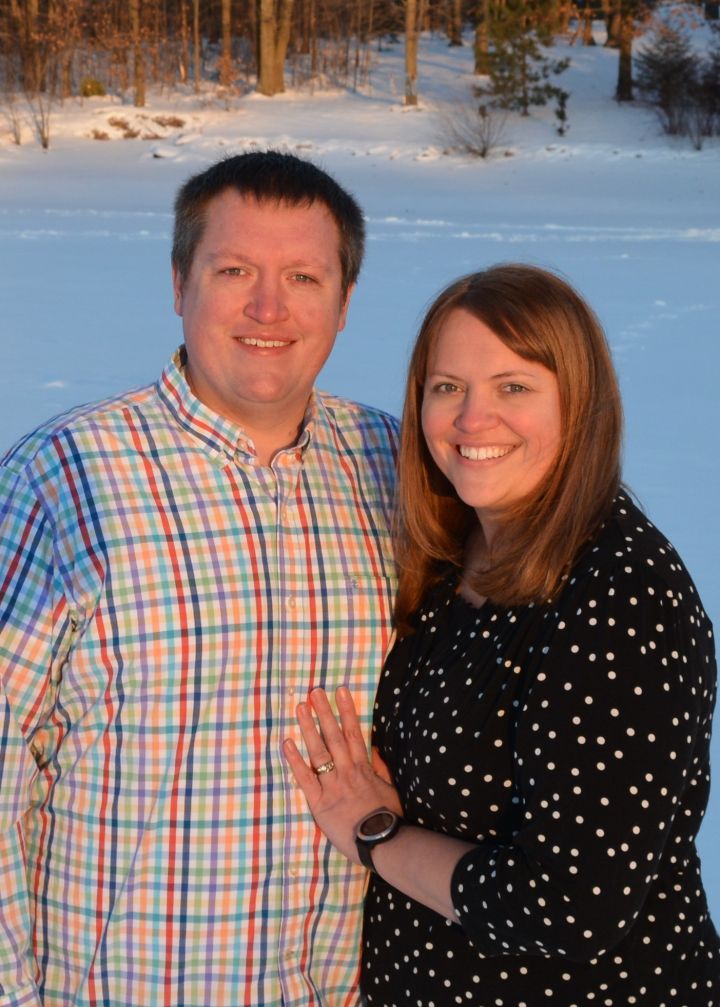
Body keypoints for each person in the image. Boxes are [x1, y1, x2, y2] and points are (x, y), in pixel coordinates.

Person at [0, 151, 399, 1007]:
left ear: (344, 303)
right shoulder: (63, 476)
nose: (269, 308)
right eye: (234, 270)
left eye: (303, 277)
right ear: (180, 282)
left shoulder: (397, 468)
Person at [284, 263, 720, 1005]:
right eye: (447, 387)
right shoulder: (455, 557)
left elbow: (573, 903)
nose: (472, 419)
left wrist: (375, 834)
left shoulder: (617, 592)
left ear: (578, 402)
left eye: (513, 387)